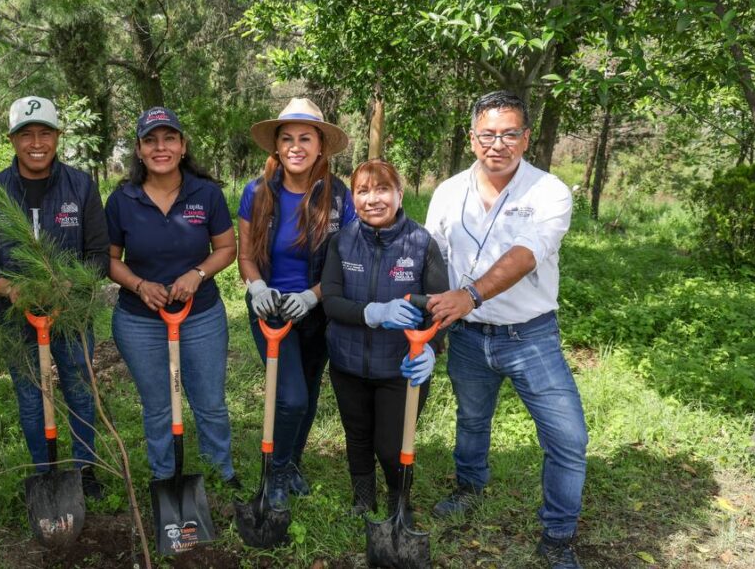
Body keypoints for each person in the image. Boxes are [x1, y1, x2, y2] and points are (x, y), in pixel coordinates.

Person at [424, 91, 588, 569]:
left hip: (530, 335)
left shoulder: (548, 191)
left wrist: (470, 293)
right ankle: (469, 487)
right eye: (488, 134)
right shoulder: (448, 191)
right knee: (472, 420)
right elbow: (431, 257)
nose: (498, 144)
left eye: (509, 134)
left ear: (526, 137)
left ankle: (558, 535)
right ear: (472, 137)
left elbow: (525, 253)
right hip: (469, 335)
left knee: (568, 437)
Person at [0, 96, 110, 499]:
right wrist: (10, 289)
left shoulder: (80, 186)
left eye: (44, 133)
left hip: (72, 316)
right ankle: (43, 472)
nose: (36, 142)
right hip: (16, 319)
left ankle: (86, 470)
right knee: (31, 397)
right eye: (26, 134)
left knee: (80, 389)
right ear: (12, 139)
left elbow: (98, 255)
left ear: (57, 137)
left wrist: (69, 283)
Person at [105, 107, 240, 487]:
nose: (160, 147)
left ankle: (220, 470)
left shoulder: (206, 194)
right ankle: (165, 476)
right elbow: (110, 260)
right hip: (139, 320)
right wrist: (138, 284)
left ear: (182, 146)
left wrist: (197, 275)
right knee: (157, 405)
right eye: (150, 140)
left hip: (200, 316)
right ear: (139, 149)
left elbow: (227, 248)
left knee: (210, 401)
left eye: (168, 139)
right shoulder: (122, 200)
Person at [237, 97, 356, 509]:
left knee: (307, 390)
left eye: (305, 138)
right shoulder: (256, 192)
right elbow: (246, 254)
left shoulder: (339, 198)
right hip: (270, 311)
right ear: (276, 146)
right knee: (291, 397)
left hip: (317, 311)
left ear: (320, 145)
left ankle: (291, 464)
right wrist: (255, 287)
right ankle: (275, 469)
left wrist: (313, 296)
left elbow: (345, 262)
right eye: (287, 138)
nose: (295, 146)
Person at [321, 159, 448, 518]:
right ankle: (363, 499)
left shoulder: (422, 244)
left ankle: (398, 501)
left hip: (401, 369)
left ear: (399, 194)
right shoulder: (341, 242)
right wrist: (374, 312)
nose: (372, 199)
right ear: (354, 198)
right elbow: (331, 302)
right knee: (357, 436)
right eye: (362, 191)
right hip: (348, 363)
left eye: (382, 190)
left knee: (391, 446)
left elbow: (440, 307)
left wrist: (434, 350)